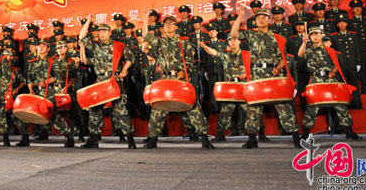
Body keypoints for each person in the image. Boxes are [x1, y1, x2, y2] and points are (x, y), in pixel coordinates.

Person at [230, 7, 301, 149]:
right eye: (258, 18)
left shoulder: (278, 38)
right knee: (253, 107)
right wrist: (240, 17)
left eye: (264, 17)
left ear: (269, 20)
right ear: (255, 21)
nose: (260, 19)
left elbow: (284, 58)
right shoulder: (251, 35)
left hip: (273, 74)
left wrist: (278, 68)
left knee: (283, 106)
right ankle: (252, 139)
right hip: (257, 73)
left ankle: (296, 137)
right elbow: (234, 34)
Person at [142, 15, 214, 149]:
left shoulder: (184, 42)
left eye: (170, 24)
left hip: (180, 79)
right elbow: (145, 36)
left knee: (193, 106)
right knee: (158, 108)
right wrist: (145, 18)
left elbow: (190, 61)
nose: (167, 26)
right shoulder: (160, 42)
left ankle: (204, 137)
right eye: (165, 24)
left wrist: (183, 71)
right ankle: (152, 138)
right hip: (165, 79)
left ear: (176, 27)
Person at [79, 16, 136, 149]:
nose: (102, 33)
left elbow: (130, 58)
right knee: (94, 110)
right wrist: (88, 21)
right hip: (100, 81)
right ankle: (93, 139)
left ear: (110, 33)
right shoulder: (95, 45)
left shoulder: (118, 45)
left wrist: (124, 70)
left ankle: (130, 139)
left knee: (121, 111)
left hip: (115, 80)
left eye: (105, 31)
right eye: (100, 31)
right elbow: (82, 37)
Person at [298, 27, 360, 140]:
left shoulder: (329, 49)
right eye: (312, 35)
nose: (314, 36)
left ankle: (349, 131)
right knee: (312, 107)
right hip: (316, 80)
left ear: (322, 35)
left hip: (330, 80)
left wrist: (333, 72)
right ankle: (305, 133)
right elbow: (300, 55)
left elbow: (336, 63)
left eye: (317, 34)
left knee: (340, 105)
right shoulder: (309, 50)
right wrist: (304, 42)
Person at [200, 35, 248, 142]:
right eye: (230, 40)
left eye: (235, 40)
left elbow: (254, 67)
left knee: (250, 111)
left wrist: (246, 73)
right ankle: (220, 133)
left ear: (239, 42)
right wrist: (204, 47)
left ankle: (258, 133)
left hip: (243, 86)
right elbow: (215, 53)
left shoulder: (246, 54)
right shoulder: (226, 55)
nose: (233, 42)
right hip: (230, 87)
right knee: (225, 111)